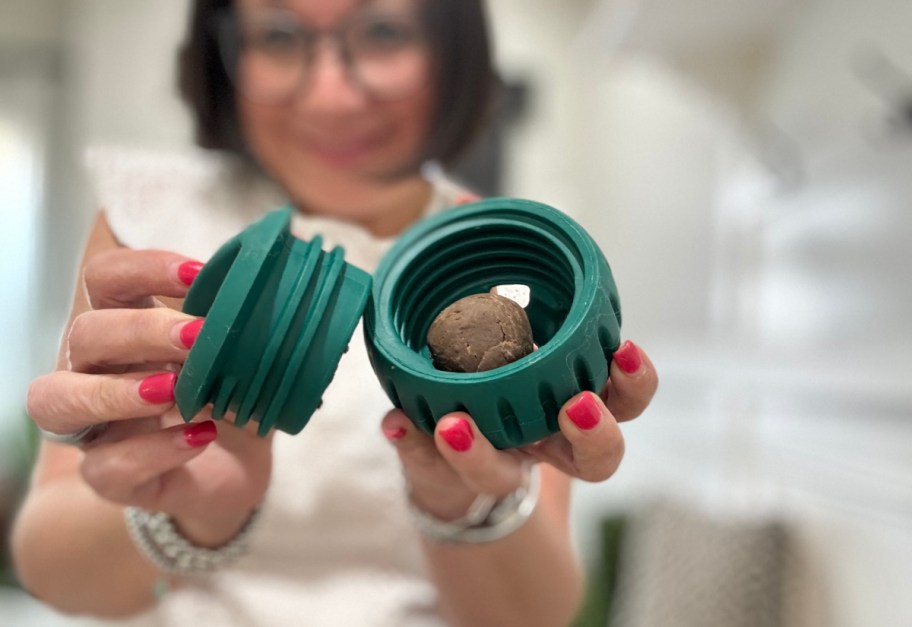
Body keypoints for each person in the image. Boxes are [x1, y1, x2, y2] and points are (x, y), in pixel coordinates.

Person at [12, 0, 659, 625]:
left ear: (449, 43)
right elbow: (48, 569)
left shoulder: (496, 250)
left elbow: (529, 617)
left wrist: (459, 501)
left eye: (381, 33)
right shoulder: (148, 223)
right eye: (278, 37)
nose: (330, 96)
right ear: (225, 46)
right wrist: (197, 514)